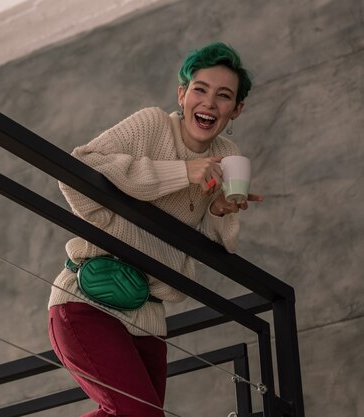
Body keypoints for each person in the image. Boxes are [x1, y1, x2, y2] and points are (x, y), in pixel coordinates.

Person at [47, 42, 263, 417]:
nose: (209, 103)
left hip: (148, 316)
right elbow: (78, 169)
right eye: (200, 89)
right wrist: (183, 173)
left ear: (237, 109)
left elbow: (218, 244)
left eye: (224, 96)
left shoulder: (228, 156)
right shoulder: (152, 125)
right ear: (182, 94)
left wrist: (221, 210)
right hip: (87, 299)